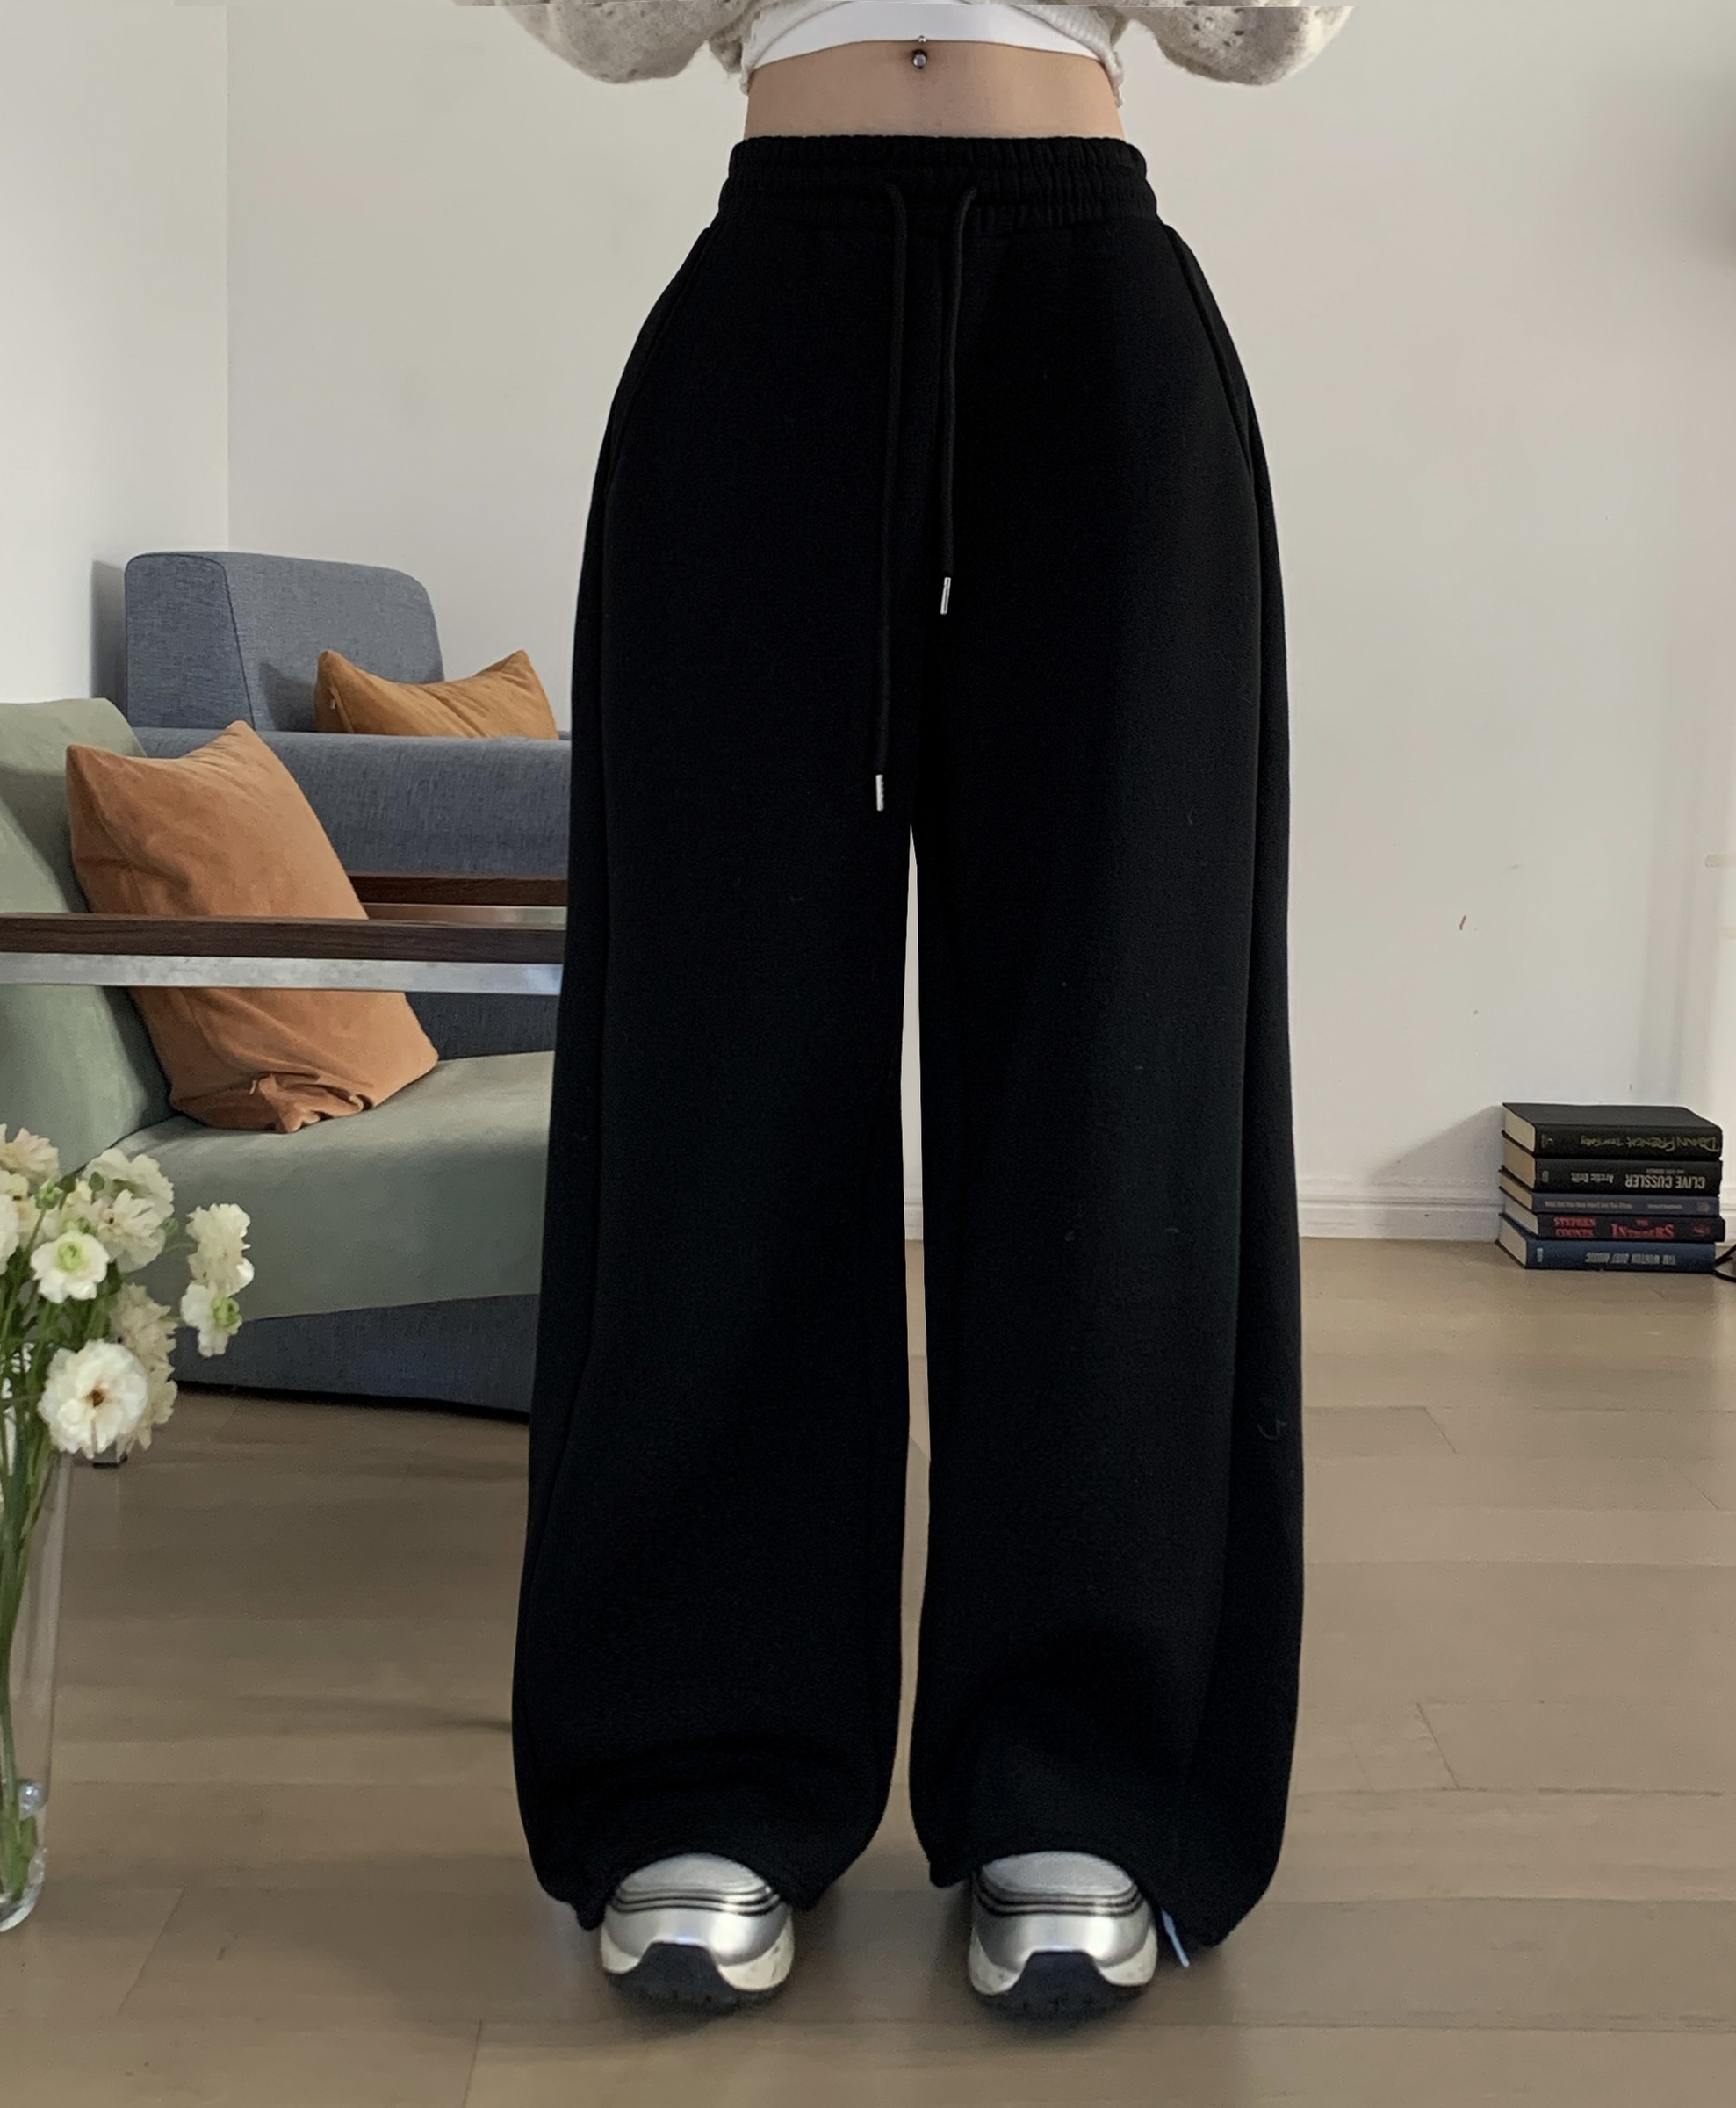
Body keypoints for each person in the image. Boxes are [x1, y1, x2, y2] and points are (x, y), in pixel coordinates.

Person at [465, 0, 1350, 2022]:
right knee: (716, 1061)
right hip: (768, 318)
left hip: (1096, 325)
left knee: (1117, 1064)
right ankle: (698, 1760)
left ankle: (1087, 1766)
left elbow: (1263, 33)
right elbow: (601, 31)